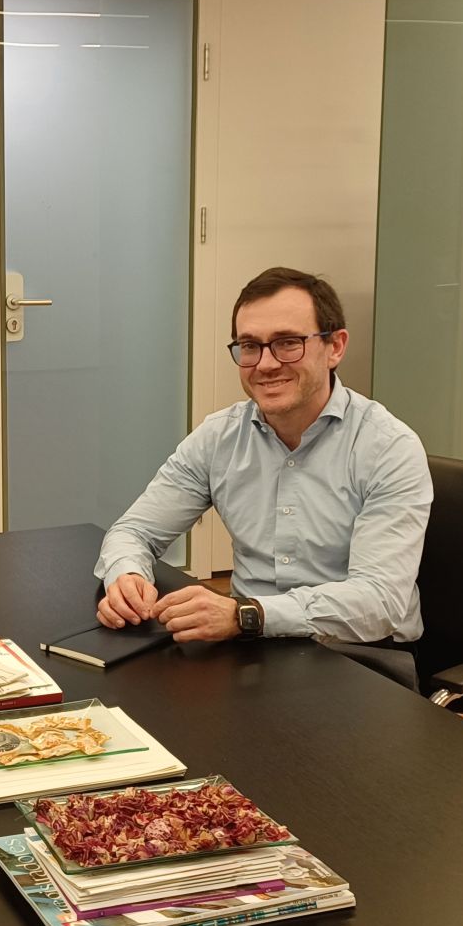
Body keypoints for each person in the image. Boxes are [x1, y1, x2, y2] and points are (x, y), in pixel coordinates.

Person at [94, 267, 431, 685]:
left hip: (361, 658)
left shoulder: (389, 447)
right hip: (252, 649)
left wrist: (248, 614)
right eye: (250, 346)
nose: (266, 364)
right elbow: (134, 532)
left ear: (335, 347)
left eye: (288, 343)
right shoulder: (219, 437)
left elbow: (379, 602)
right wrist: (127, 576)